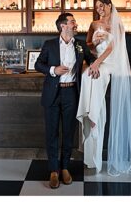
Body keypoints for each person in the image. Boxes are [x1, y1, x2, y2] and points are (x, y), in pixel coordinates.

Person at [34, 12, 98, 190]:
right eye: (72, 22)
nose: (75, 25)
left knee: (69, 133)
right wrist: (53, 69)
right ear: (63, 26)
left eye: (74, 22)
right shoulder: (50, 45)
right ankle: (53, 170)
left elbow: (91, 59)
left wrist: (94, 65)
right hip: (53, 94)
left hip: (72, 93)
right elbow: (38, 64)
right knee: (52, 133)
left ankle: (65, 168)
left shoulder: (80, 45)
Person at [77, 0, 131, 175]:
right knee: (86, 76)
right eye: (96, 7)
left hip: (110, 63)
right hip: (97, 61)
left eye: (102, 6)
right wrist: (95, 44)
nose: (99, 9)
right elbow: (88, 46)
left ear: (109, 5)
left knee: (96, 75)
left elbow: (112, 48)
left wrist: (96, 64)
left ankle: (93, 116)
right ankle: (89, 113)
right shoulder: (94, 24)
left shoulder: (118, 24)